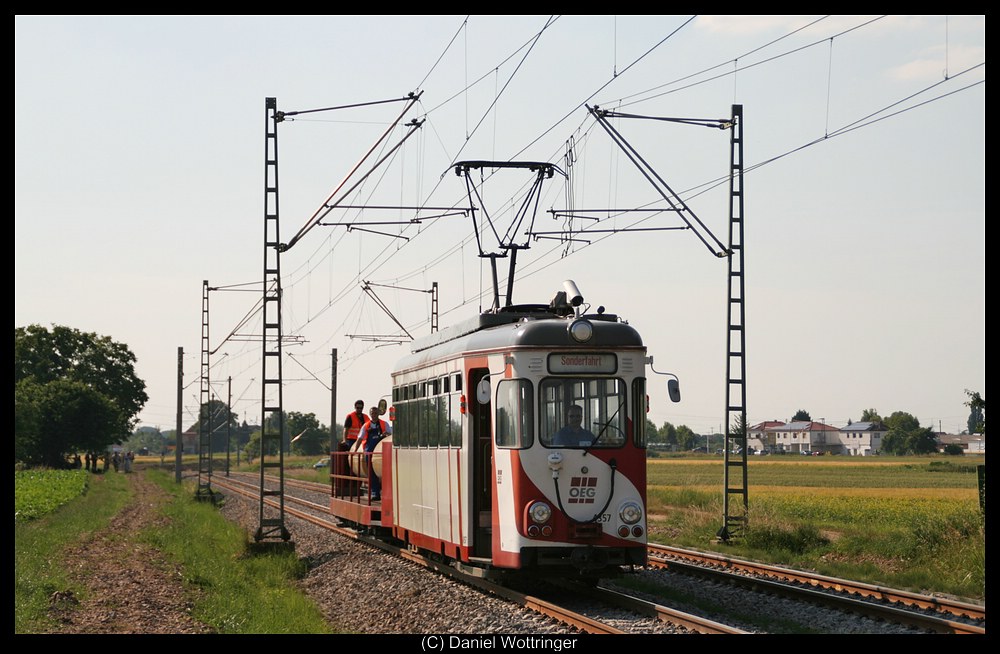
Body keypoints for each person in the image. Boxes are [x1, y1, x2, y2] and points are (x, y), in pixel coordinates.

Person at [356, 406, 392, 500]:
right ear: (370, 414)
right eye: (372, 413)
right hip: (369, 451)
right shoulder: (366, 425)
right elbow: (360, 438)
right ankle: (375, 493)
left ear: (378, 414)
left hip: (382, 451)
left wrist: (386, 434)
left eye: (376, 413)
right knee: (371, 472)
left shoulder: (384, 424)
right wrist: (355, 450)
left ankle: (387, 492)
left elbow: (391, 435)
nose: (374, 415)